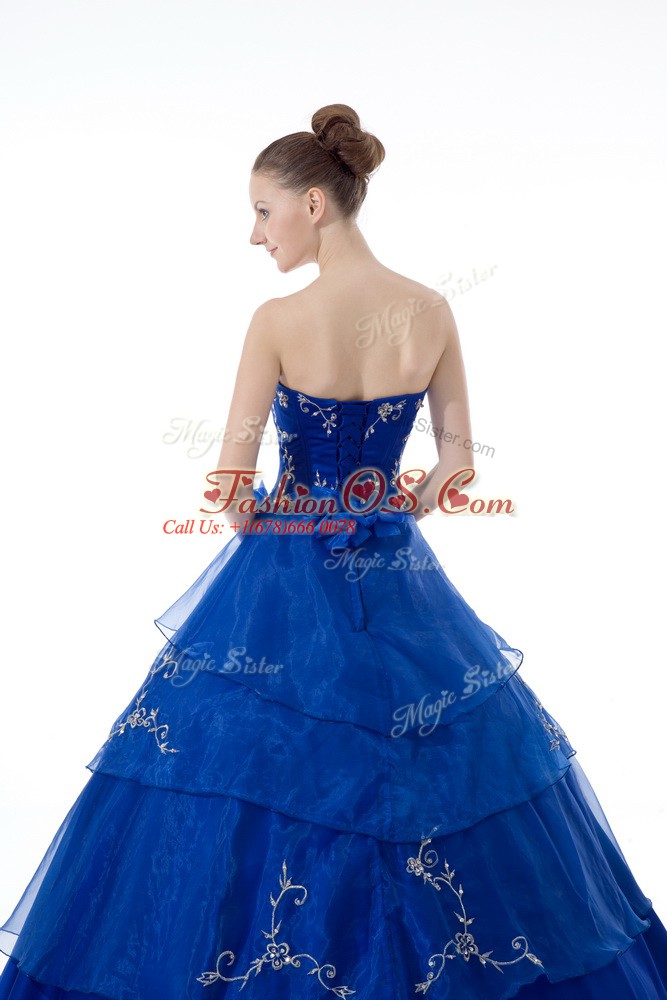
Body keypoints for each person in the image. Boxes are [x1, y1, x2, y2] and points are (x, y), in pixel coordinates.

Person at [0, 103, 665, 1000]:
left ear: (313, 204)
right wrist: (389, 510)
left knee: (252, 761)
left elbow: (232, 485)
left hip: (284, 570)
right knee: (440, 762)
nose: (254, 234)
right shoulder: (429, 310)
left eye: (262, 211)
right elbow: (456, 466)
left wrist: (272, 516)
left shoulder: (278, 319)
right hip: (395, 566)